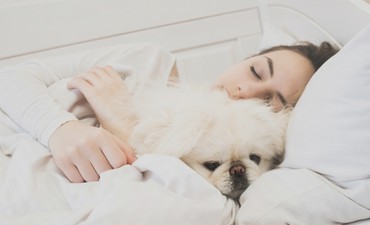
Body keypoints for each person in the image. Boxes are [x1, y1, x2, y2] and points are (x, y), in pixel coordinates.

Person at [0, 41, 338, 183]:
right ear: (244, 58)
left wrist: (123, 126)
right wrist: (61, 129)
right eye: (255, 72)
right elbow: (10, 77)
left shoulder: (228, 171)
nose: (244, 92)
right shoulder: (148, 60)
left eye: (268, 101)